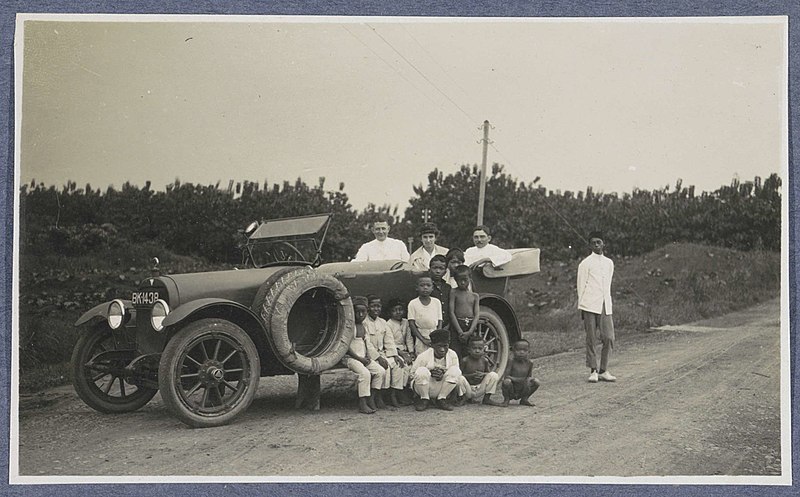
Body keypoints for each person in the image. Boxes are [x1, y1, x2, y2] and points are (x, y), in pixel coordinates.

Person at [577, 231, 617, 383]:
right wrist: (582, 306)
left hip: (605, 304)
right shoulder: (585, 263)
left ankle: (603, 370)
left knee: (609, 337)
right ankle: (593, 370)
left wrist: (607, 302)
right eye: (593, 242)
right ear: (590, 245)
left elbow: (608, 285)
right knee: (591, 338)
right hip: (589, 304)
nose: (596, 245)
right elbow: (581, 286)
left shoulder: (609, 263)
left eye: (599, 242)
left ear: (603, 244)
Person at [364, 294, 410, 407]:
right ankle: (377, 396)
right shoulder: (364, 322)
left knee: (399, 364)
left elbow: (389, 341)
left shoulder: (382, 322)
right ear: (368, 307)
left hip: (383, 353)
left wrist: (395, 355)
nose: (376, 309)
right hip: (369, 355)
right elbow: (367, 344)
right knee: (384, 368)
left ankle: (393, 394)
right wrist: (378, 358)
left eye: (378, 306)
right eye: (373, 306)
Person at [342, 296, 386, 414]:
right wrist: (360, 358)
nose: (360, 314)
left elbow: (367, 344)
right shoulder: (349, 327)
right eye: (357, 312)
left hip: (363, 357)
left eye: (363, 312)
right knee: (365, 373)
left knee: (380, 371)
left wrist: (371, 357)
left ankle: (371, 398)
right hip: (351, 358)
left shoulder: (364, 326)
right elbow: (346, 347)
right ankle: (362, 403)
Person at [410, 328, 461, 411]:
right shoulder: (423, 356)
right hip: (425, 387)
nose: (442, 349)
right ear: (432, 345)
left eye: (445, 346)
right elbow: (412, 375)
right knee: (421, 370)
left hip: (443, 388)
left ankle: (442, 399)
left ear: (449, 344)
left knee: (455, 370)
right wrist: (429, 373)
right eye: (439, 346)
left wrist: (443, 373)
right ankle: (424, 399)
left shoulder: (452, 355)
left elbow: (457, 375)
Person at [457, 336, 503, 406]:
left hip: (479, 388)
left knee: (493, 375)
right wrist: (471, 376)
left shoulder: (484, 360)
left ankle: (486, 398)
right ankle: (463, 398)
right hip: (468, 389)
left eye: (480, 348)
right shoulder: (465, 360)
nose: (477, 351)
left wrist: (483, 374)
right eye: (474, 348)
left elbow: (488, 374)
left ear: (484, 350)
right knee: (460, 379)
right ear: (469, 350)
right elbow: (460, 375)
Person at [448, 265, 480, 358]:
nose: (462, 282)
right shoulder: (454, 292)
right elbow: (451, 312)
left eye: (465, 279)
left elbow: (477, 314)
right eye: (459, 280)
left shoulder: (475, 296)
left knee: (470, 352)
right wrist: (459, 331)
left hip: (470, 326)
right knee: (456, 352)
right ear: (455, 280)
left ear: (470, 278)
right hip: (457, 325)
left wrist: (470, 331)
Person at [407, 275, 442, 355]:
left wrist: (437, 337)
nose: (425, 287)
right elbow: (411, 324)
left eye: (428, 285)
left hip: (435, 335)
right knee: (422, 358)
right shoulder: (413, 303)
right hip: (421, 335)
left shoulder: (436, 302)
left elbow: (440, 320)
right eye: (422, 285)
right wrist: (423, 339)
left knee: (435, 357)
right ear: (417, 288)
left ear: (432, 288)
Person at [501, 339, 540, 406]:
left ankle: (524, 399)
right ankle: (506, 400)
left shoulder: (529, 363)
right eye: (518, 350)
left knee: (536, 382)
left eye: (525, 350)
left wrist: (528, 380)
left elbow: (529, 377)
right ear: (513, 351)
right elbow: (506, 376)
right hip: (512, 388)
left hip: (523, 388)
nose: (521, 352)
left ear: (529, 352)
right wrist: (522, 379)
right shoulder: (511, 361)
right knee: (507, 382)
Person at [428, 255, 451, 330]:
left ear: (445, 272)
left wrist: (448, 324)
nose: (438, 271)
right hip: (431, 326)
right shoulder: (426, 287)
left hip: (446, 326)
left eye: (441, 268)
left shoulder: (448, 287)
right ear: (429, 269)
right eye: (435, 268)